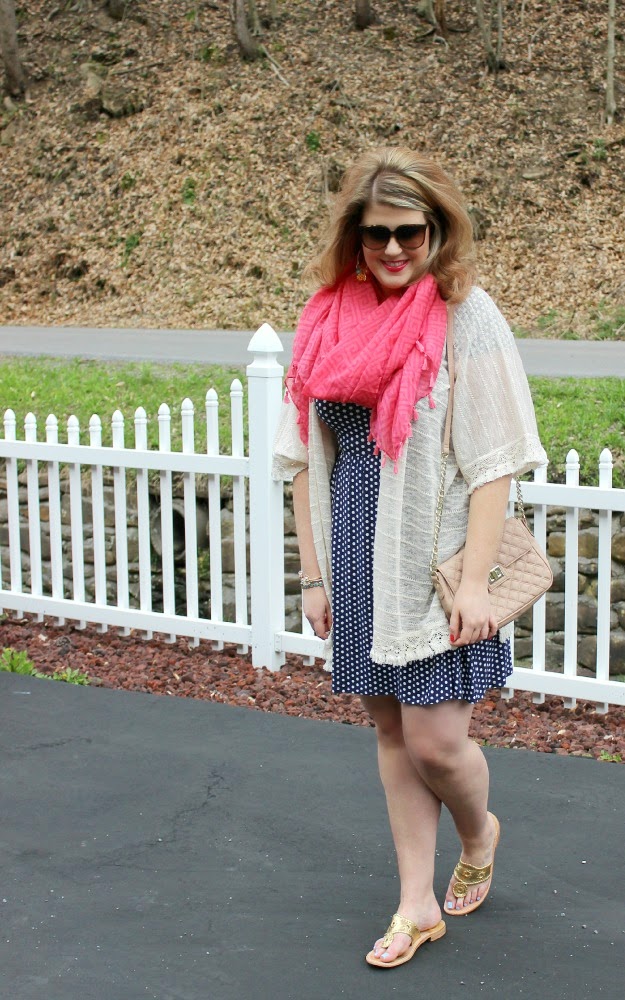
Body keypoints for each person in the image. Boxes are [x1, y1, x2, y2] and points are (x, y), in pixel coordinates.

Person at [271, 147, 547, 969]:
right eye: (376, 233)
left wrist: (474, 585)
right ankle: (415, 903)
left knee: (435, 744)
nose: (393, 248)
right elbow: (301, 458)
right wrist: (312, 574)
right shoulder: (324, 317)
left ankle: (478, 830)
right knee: (391, 731)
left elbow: (493, 462)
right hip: (355, 554)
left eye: (410, 232)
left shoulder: (467, 316)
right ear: (353, 238)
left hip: (432, 560)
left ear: (437, 231)